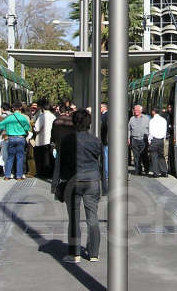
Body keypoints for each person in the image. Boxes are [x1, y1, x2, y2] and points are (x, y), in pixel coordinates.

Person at [58, 109, 105, 263]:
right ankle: (93, 253)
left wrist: (58, 185)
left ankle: (74, 253)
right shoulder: (96, 141)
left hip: (72, 181)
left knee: (74, 218)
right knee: (92, 218)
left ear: (73, 122)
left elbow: (60, 164)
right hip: (91, 180)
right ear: (89, 123)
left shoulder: (66, 140)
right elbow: (101, 162)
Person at [0, 104, 31, 180]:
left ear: (13, 109)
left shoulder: (10, 118)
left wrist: (6, 128)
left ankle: (7, 175)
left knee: (10, 157)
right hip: (21, 138)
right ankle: (19, 176)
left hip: (11, 138)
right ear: (20, 109)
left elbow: (1, 125)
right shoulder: (23, 118)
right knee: (20, 157)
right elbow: (27, 127)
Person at [33, 100, 56, 178]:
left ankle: (42, 174)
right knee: (49, 158)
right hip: (50, 140)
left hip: (41, 141)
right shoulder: (53, 116)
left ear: (42, 108)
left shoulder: (42, 116)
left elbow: (36, 128)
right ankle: (50, 174)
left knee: (42, 159)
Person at [128, 104, 150, 175]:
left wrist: (150, 139)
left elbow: (150, 129)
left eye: (137, 110)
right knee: (136, 156)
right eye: (135, 110)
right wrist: (128, 138)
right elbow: (128, 129)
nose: (136, 111)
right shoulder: (131, 119)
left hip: (143, 140)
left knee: (144, 155)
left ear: (141, 110)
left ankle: (147, 169)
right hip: (134, 139)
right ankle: (138, 170)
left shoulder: (146, 118)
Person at [148, 107, 168, 177]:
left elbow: (151, 132)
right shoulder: (164, 120)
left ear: (153, 112)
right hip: (161, 140)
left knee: (154, 156)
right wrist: (164, 139)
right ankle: (164, 172)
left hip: (154, 140)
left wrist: (149, 140)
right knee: (161, 156)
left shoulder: (152, 121)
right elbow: (165, 131)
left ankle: (156, 173)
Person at [99, 102, 109, 185]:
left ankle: (105, 174)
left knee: (106, 157)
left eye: (100, 107)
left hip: (105, 140)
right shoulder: (104, 115)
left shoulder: (106, 115)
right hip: (104, 140)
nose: (99, 108)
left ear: (104, 108)